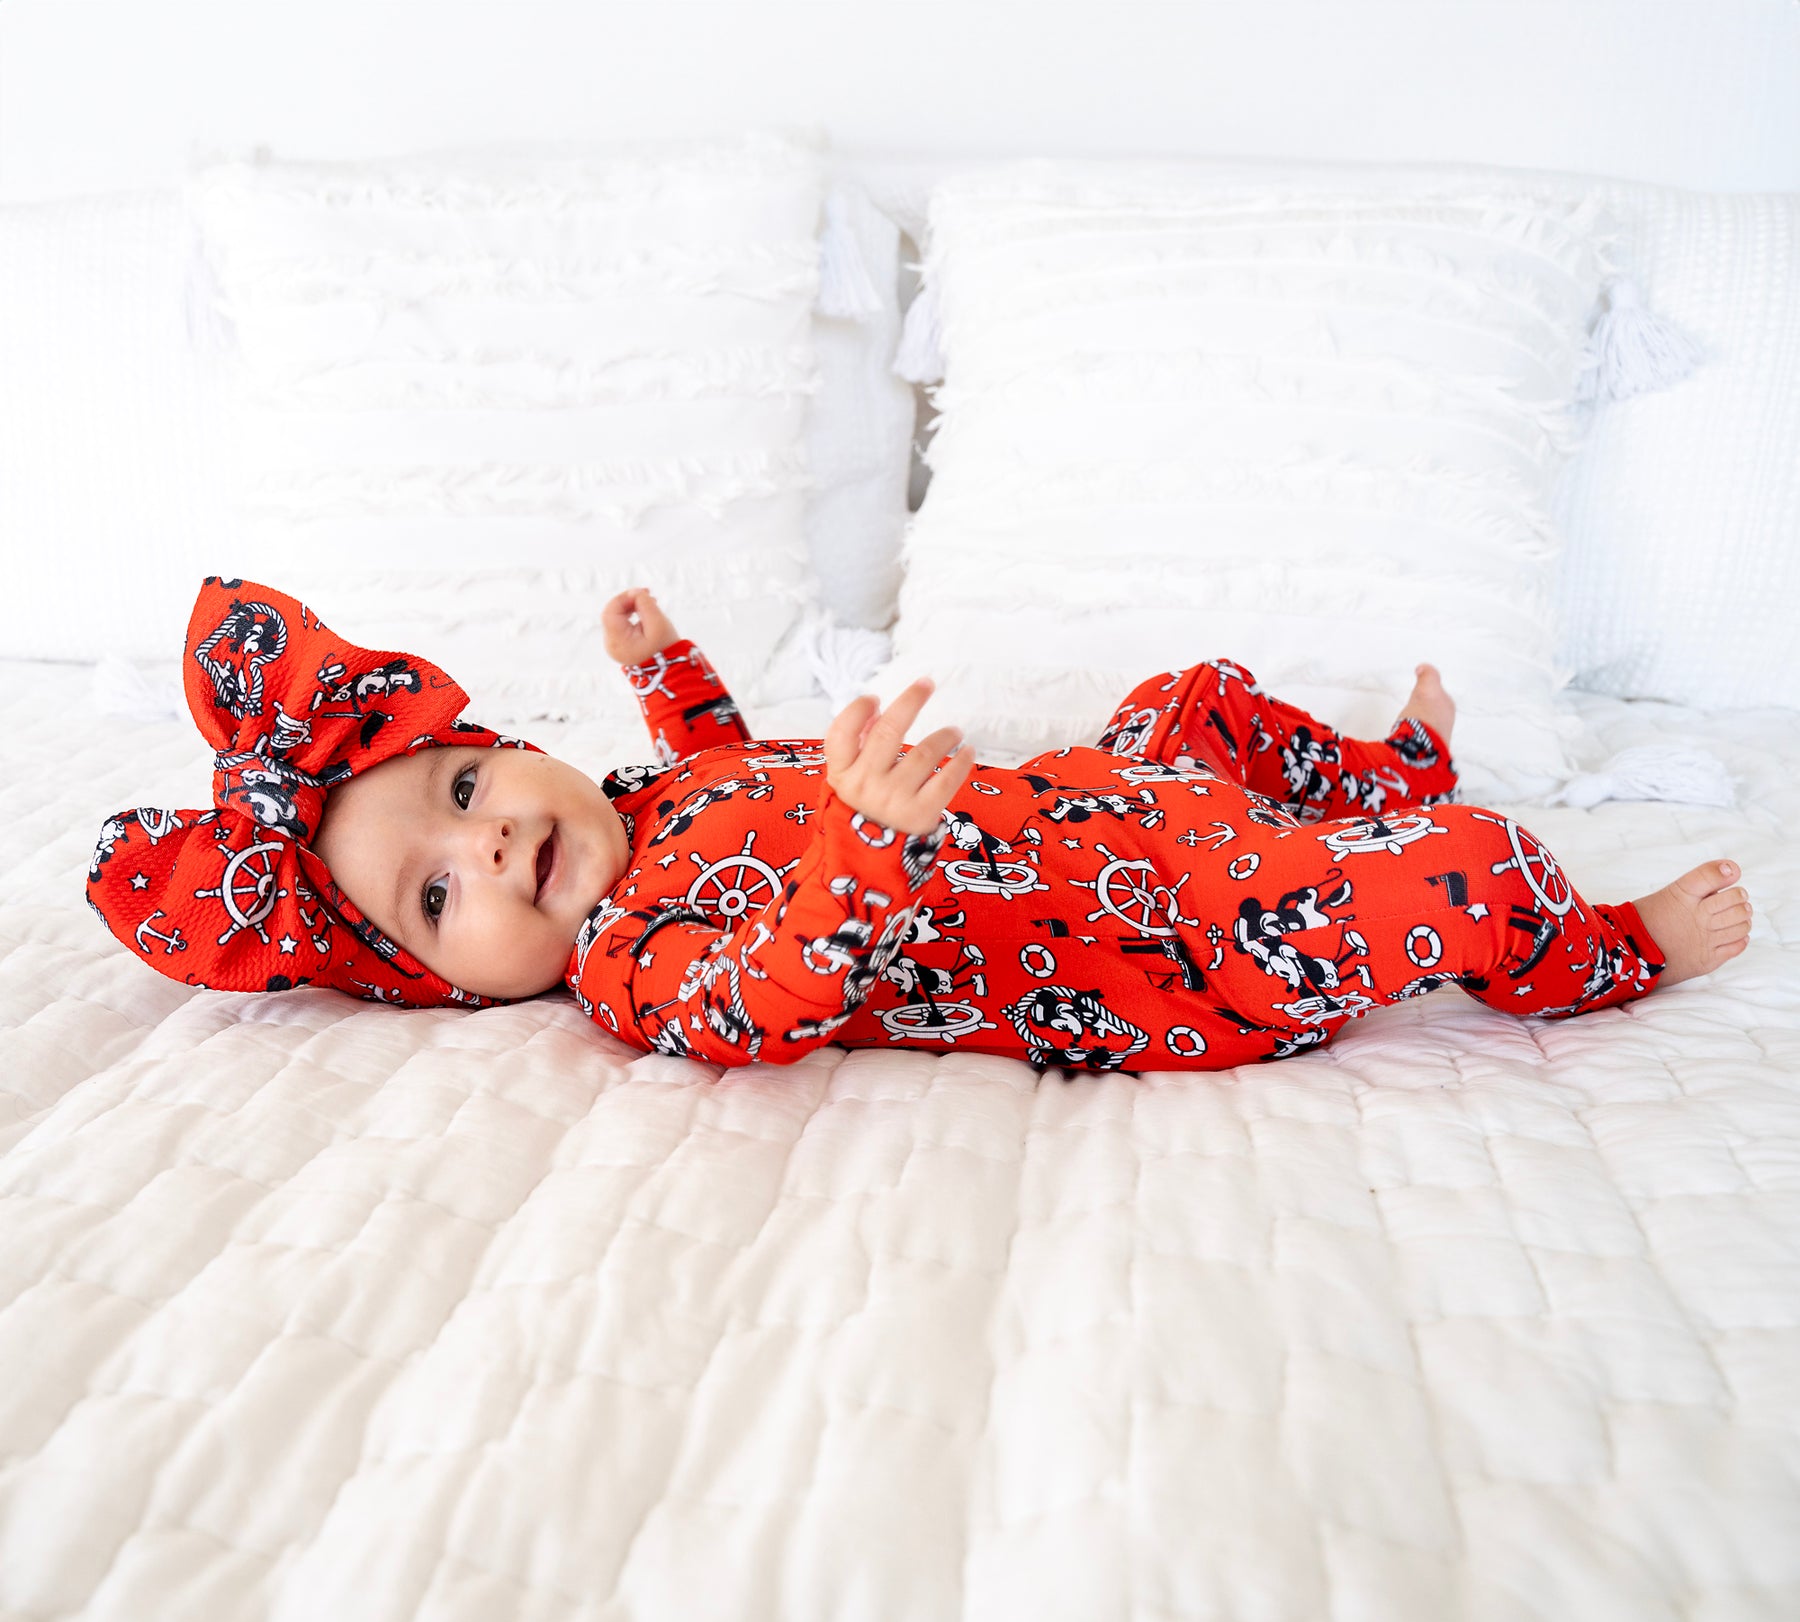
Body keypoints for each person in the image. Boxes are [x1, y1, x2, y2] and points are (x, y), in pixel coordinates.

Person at [90, 578, 1752, 1073]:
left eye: (464, 794)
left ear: (510, 747)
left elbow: (725, 765)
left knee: (1197, 696)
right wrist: (866, 845)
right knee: (1464, 878)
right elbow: (769, 998)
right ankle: (1604, 953)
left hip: (1113, 798)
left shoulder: (649, 800)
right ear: (443, 984)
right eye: (439, 899)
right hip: (1178, 941)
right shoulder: (633, 965)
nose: (492, 848)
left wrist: (667, 674)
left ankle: (1389, 772)